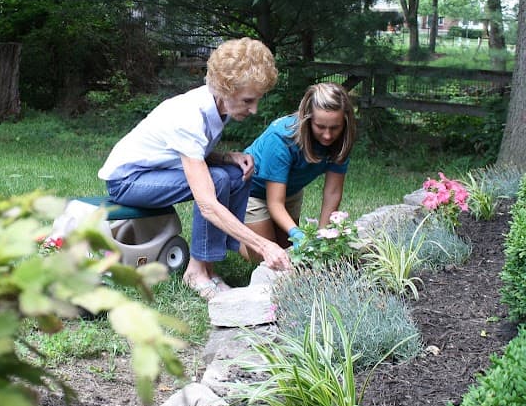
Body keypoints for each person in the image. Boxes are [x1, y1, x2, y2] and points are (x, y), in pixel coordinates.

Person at [97, 37, 291, 300]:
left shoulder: (217, 107)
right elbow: (207, 204)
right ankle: (197, 272)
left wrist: (225, 157)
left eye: (257, 100)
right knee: (218, 181)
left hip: (155, 173)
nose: (254, 109)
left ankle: (209, 267)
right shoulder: (189, 116)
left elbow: (184, 154)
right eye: (248, 100)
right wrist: (264, 245)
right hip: (127, 181)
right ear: (225, 88)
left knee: (236, 174)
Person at [241, 82, 357, 261]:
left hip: (290, 190)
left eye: (334, 127)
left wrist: (323, 238)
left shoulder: (341, 141)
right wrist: (297, 233)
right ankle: (232, 235)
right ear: (308, 118)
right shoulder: (281, 138)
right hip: (252, 191)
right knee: (266, 258)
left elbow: (333, 193)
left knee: (289, 253)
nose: (327, 135)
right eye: (320, 127)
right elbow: (275, 203)